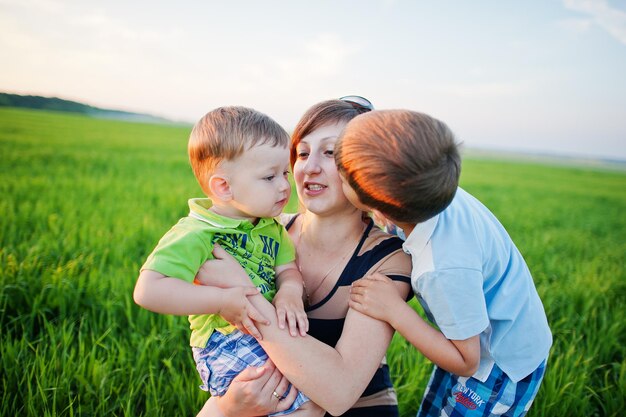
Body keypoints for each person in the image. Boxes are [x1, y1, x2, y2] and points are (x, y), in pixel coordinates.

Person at [195, 97, 413, 417]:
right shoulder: (261, 235)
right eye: (302, 153)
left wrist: (247, 297)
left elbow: (339, 393)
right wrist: (230, 406)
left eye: (330, 153)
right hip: (269, 401)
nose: (310, 167)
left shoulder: (388, 260)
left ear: (366, 168)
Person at [336, 109, 553, 416]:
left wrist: (394, 311)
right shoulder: (430, 188)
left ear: (376, 202)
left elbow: (467, 361)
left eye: (341, 173)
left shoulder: (441, 268)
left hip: (499, 363)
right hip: (472, 333)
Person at [133, 106, 318, 416]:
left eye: (284, 173)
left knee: (308, 396)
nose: (285, 186)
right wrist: (220, 300)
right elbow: (147, 290)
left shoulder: (270, 227)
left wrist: (289, 292)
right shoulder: (197, 232)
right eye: (269, 177)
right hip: (226, 338)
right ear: (224, 187)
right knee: (300, 404)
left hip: (265, 331)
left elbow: (287, 269)